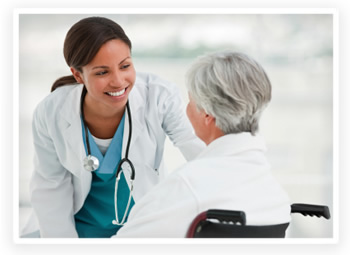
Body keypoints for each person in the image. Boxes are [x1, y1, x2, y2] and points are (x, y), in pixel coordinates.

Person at [24, 16, 205, 238]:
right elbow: (49, 186)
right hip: (74, 229)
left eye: (125, 66)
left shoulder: (159, 96)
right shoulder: (51, 111)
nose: (118, 81)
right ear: (78, 75)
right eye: (102, 72)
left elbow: (200, 153)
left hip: (142, 228)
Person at [114, 51, 291, 238]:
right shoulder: (273, 193)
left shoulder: (187, 185)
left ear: (206, 114)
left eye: (190, 101)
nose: (186, 109)